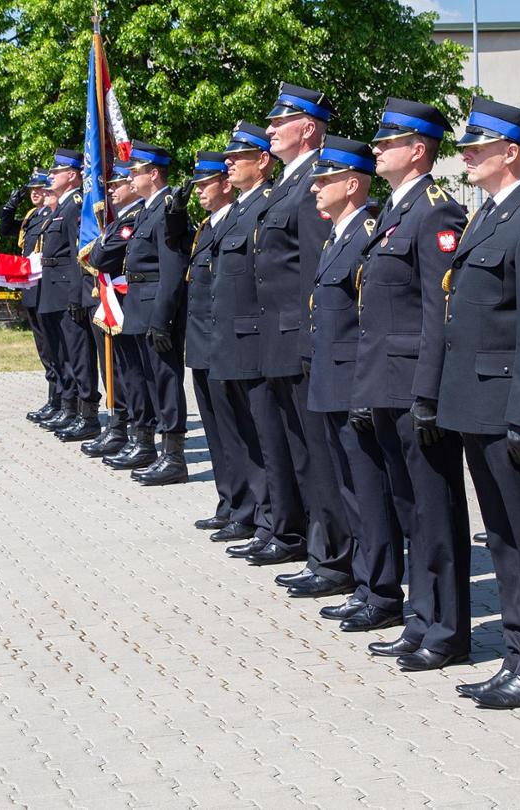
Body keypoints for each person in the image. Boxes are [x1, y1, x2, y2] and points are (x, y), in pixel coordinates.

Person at [430, 96, 520, 696]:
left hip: (510, 403)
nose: (465, 155)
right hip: (474, 400)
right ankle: (517, 653)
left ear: (510, 152)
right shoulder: (488, 214)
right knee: (503, 537)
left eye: (476, 147)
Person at [334, 99, 469, 643]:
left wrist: (429, 391)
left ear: (418, 150)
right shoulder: (394, 210)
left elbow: (440, 309)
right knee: (410, 508)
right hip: (384, 383)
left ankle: (445, 628)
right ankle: (420, 619)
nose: (378, 150)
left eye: (388, 143)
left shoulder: (435, 210)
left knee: (434, 513)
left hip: (414, 384)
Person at [245, 84, 353, 598]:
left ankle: (332, 559)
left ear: (308, 128)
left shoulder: (317, 182)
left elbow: (317, 269)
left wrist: (314, 338)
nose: (269, 130)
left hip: (300, 341)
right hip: (278, 341)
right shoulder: (288, 184)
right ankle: (317, 547)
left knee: (318, 457)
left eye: (278, 122)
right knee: (300, 454)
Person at [298, 136, 376, 604]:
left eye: (324, 180)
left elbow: (369, 318)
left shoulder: (365, 232)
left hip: (352, 380)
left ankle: (375, 586)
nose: (315, 189)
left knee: (366, 491)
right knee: (348, 487)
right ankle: (364, 583)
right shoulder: (339, 233)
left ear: (351, 184)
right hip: (331, 375)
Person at [212, 122, 281, 549]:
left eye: (239, 157)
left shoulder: (264, 206)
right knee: (242, 436)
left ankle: (272, 520)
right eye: (228, 157)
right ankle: (253, 513)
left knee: (265, 439)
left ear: (263, 161)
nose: (229, 163)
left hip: (256, 339)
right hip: (231, 339)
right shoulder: (239, 208)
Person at [184, 151, 255, 531]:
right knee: (216, 432)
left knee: (236, 432)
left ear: (225, 185)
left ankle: (246, 508)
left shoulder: (235, 220)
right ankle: (228, 500)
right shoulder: (207, 226)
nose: (198, 192)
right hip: (202, 342)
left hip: (223, 342)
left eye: (204, 184)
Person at [117, 142, 194, 486]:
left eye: (136, 171)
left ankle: (174, 456)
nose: (131, 177)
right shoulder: (145, 210)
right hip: (138, 303)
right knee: (145, 379)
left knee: (164, 380)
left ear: (154, 174)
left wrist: (162, 318)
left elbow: (172, 268)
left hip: (155, 308)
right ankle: (149, 446)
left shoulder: (167, 209)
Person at [35, 149, 102, 442]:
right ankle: (68, 407)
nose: (50, 176)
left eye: (56, 171)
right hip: (52, 288)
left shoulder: (75, 205)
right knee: (61, 353)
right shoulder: (60, 207)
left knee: (78, 353)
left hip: (67, 291)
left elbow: (78, 255)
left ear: (72, 175)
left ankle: (86, 414)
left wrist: (76, 294)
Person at [84, 164, 146, 464]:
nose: (109, 190)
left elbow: (103, 255)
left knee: (129, 371)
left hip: (125, 299)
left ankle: (134, 431)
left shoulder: (135, 216)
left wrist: (101, 252)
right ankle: (120, 425)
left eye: (117, 183)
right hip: (111, 298)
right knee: (114, 368)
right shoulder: (118, 219)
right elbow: (97, 255)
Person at [5, 172, 59, 424]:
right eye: (31, 190)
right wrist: (9, 205)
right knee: (44, 348)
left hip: (46, 288)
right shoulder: (32, 216)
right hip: (31, 288)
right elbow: (5, 229)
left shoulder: (53, 214)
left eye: (40, 188)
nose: (35, 193)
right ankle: (54, 398)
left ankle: (59, 399)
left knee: (53, 346)